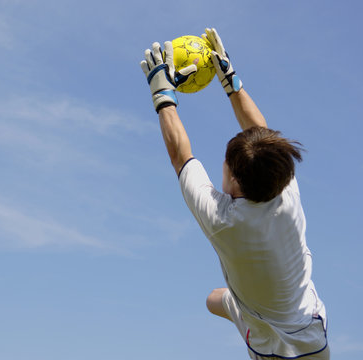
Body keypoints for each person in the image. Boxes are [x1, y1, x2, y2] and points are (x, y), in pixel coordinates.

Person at [140, 28, 329, 359]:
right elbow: (264, 136)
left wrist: (162, 94)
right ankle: (237, 302)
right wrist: (231, 81)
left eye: (225, 166)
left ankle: (240, 306)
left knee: (218, 300)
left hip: (277, 347)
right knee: (216, 299)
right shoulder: (284, 186)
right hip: (308, 326)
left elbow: (180, 156)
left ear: (236, 183)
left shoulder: (224, 221)